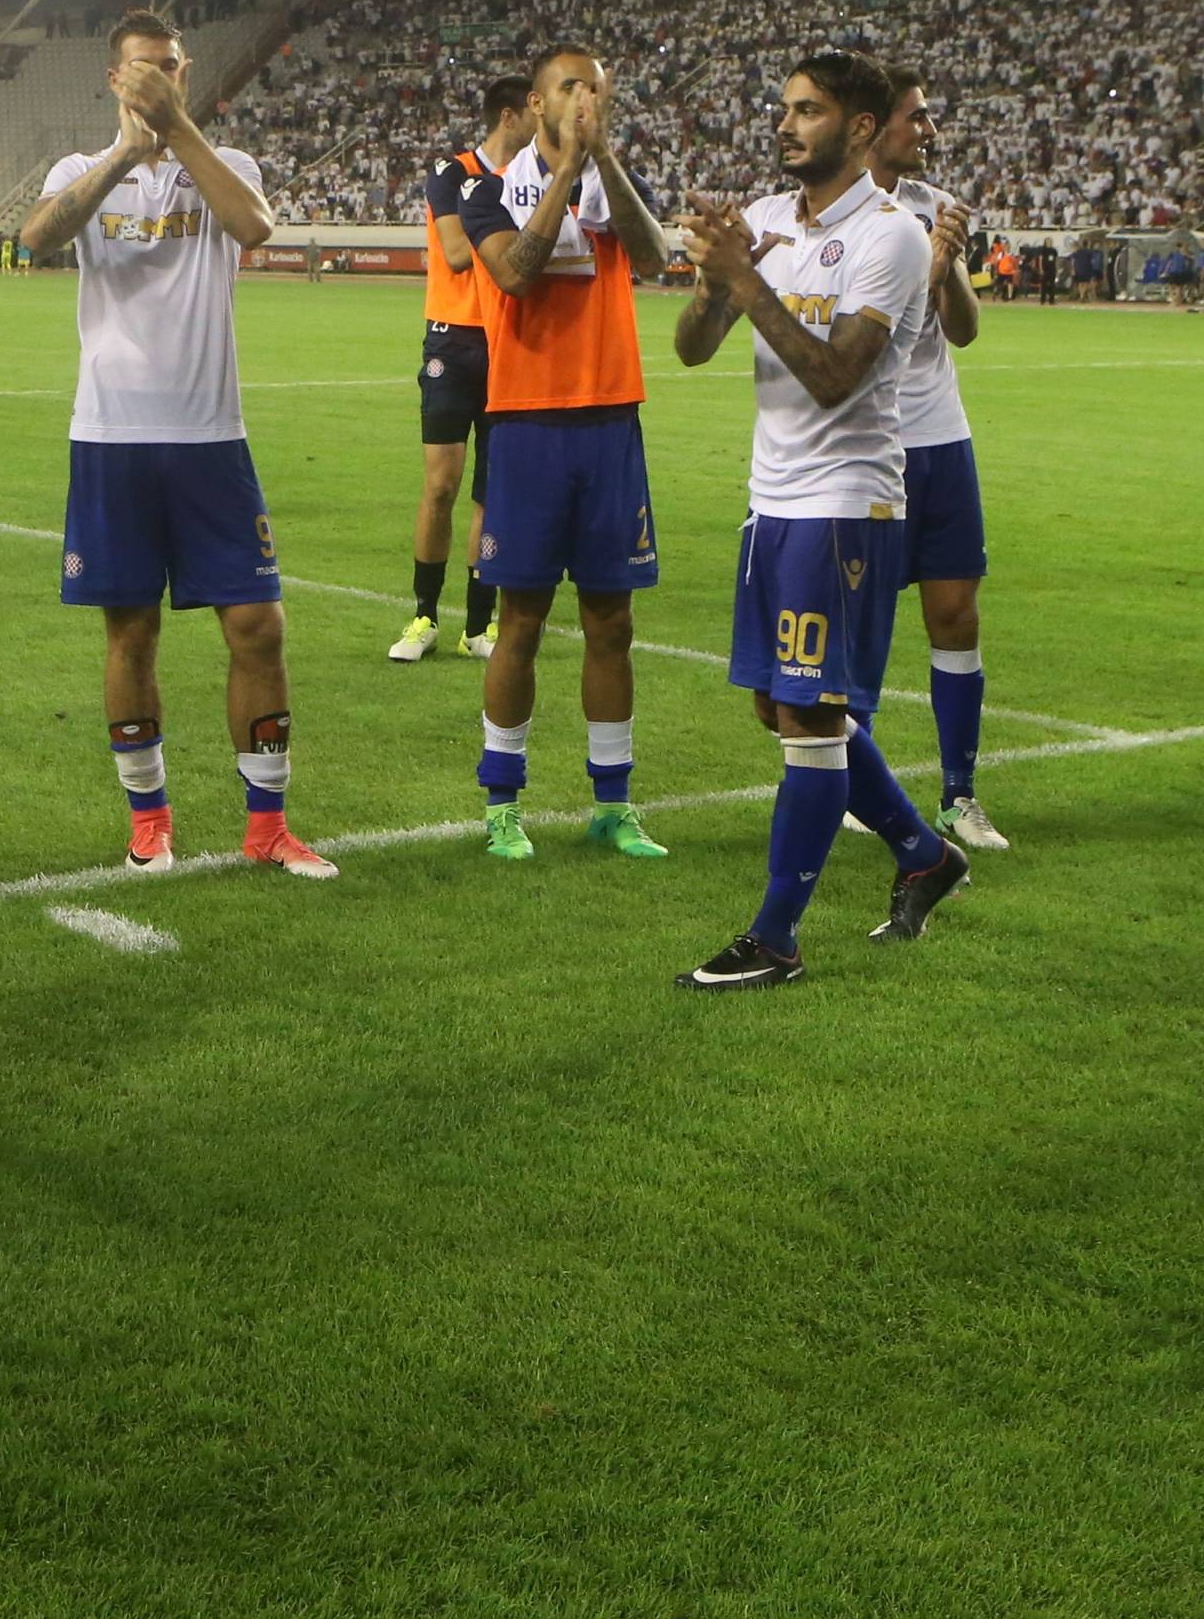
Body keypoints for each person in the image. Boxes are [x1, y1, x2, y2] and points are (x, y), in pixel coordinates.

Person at [671, 50, 970, 990]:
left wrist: (750, 285)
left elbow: (840, 379)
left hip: (847, 505)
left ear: (862, 129)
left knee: (810, 710)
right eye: (785, 108)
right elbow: (689, 349)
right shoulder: (764, 220)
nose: (786, 124)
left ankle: (776, 937)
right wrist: (718, 278)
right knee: (785, 706)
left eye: (808, 111)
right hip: (772, 504)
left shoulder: (892, 238)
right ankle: (924, 853)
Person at [20, 10, 337, 881]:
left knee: (257, 626)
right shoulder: (81, 170)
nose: (158, 80)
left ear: (185, 75)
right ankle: (149, 822)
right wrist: (126, 151)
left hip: (210, 436)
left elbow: (256, 226)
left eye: (170, 68)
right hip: (113, 435)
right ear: (116, 80)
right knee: (132, 634)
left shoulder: (222, 164)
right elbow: (37, 237)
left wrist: (177, 128)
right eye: (142, 71)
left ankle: (267, 826)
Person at [457, 48, 671, 862]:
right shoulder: (488, 188)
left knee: (611, 621)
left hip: (611, 419)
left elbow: (652, 259)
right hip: (526, 425)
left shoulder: (613, 182)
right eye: (570, 89)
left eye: (596, 89)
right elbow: (514, 275)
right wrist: (565, 173)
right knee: (521, 620)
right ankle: (502, 802)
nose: (585, 99)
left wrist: (604, 162)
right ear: (537, 105)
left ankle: (612, 804)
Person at [867, 68, 1009, 852]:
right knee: (866, 627)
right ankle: (862, 788)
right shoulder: (846, 213)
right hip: (872, 444)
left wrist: (950, 259)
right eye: (915, 117)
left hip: (941, 435)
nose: (928, 129)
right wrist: (925, 262)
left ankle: (960, 795)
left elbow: (962, 331)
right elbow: (877, 329)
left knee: (956, 613)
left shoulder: (932, 206)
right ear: (873, 126)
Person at [388, 76, 534, 666]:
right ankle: (424, 614)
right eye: (534, 109)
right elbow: (453, 252)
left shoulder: (533, 182)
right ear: (509, 115)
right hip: (452, 340)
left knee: (491, 495)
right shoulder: (452, 174)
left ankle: (479, 623)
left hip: (507, 343)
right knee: (442, 485)